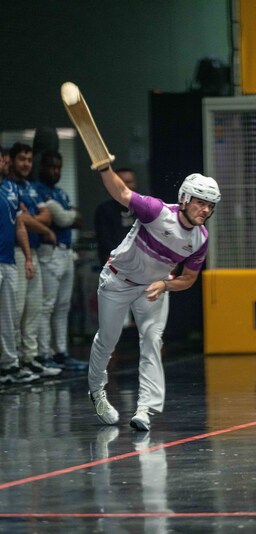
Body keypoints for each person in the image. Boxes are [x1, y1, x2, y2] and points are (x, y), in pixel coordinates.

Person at [88, 167, 221, 431]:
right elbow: (122, 192)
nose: (205, 210)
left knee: (151, 339)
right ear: (184, 199)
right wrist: (105, 168)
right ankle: (97, 392)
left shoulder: (200, 240)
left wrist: (164, 283)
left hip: (153, 288)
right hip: (117, 281)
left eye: (210, 206)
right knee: (107, 340)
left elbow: (189, 279)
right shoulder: (156, 211)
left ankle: (145, 409)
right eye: (200, 202)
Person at [9, 142, 61, 379]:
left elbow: (46, 215)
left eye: (29, 160)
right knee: (16, 310)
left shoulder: (29, 188)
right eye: (22, 159)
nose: (26, 164)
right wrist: (44, 228)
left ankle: (29, 358)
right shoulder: (8, 187)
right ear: (10, 160)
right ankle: (14, 360)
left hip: (34, 252)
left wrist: (36, 222)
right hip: (16, 252)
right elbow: (24, 220)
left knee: (34, 308)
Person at [35, 150, 88, 371]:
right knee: (47, 306)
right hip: (49, 251)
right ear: (42, 167)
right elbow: (65, 218)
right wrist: (67, 216)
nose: (55, 171)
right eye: (50, 167)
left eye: (58, 167)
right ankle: (44, 354)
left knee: (63, 306)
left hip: (66, 251)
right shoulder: (37, 191)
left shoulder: (60, 192)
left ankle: (61, 352)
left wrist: (67, 216)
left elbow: (77, 219)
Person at [0, 145, 39, 384]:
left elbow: (19, 225)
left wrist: (26, 257)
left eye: (4, 159)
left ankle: (9, 365)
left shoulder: (10, 188)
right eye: (2, 159)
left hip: (8, 260)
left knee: (9, 316)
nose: (5, 162)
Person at [94, 167, 137, 328]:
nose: (127, 186)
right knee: (116, 320)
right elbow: (105, 242)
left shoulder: (143, 209)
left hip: (141, 270)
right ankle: (115, 351)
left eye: (130, 182)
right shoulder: (104, 210)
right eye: (122, 182)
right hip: (114, 270)